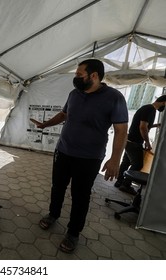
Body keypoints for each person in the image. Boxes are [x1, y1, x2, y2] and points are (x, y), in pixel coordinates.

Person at [30, 59, 128, 253]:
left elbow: (121, 130)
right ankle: (53, 215)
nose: (75, 78)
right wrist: (45, 124)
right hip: (63, 151)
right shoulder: (74, 94)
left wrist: (115, 159)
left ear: (94, 75)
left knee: (80, 195)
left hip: (89, 158)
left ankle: (73, 232)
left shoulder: (114, 97)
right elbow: (64, 115)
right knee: (57, 186)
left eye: (78, 75)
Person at [114, 95, 166, 195]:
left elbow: (143, 124)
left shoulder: (146, 107)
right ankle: (125, 185)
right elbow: (143, 127)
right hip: (135, 142)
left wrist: (156, 125)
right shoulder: (151, 110)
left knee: (126, 162)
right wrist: (147, 142)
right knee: (138, 164)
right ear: (164, 102)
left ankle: (119, 182)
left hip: (129, 140)